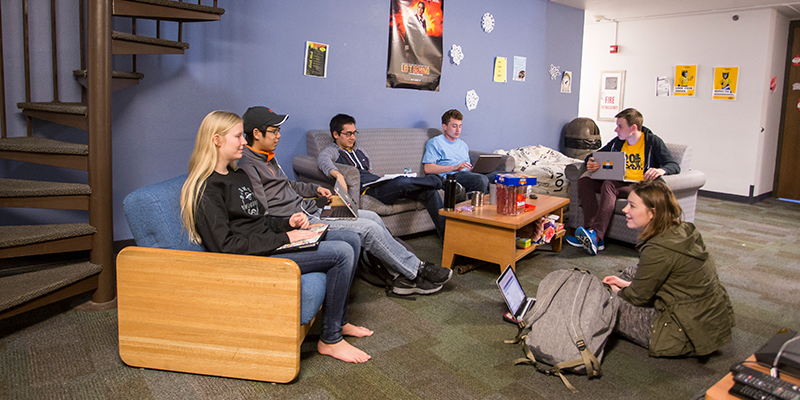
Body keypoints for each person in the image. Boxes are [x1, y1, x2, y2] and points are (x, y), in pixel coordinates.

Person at [179, 110, 372, 363]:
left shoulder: (236, 175)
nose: (244, 142)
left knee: (352, 240)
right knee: (341, 253)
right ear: (217, 140)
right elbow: (226, 246)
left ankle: (340, 321)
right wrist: (287, 238)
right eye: (238, 136)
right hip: (251, 258)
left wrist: (287, 223)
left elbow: (257, 219)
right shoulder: (207, 188)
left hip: (267, 243)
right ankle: (331, 339)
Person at [238, 106, 452, 296]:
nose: (278, 136)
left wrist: (316, 188)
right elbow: (262, 212)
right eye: (274, 131)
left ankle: (404, 271)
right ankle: (417, 270)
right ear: (256, 133)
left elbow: (289, 186)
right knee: (368, 229)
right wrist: (290, 226)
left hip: (312, 209)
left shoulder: (268, 157)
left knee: (373, 217)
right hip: (303, 220)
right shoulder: (247, 165)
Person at [602, 180, 734, 357]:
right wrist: (625, 284)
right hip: (706, 320)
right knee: (631, 272)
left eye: (632, 206)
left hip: (682, 333)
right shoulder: (683, 229)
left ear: (653, 212)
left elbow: (637, 297)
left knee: (603, 301)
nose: (625, 210)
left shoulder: (657, 249)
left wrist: (616, 291)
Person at [566, 108, 680, 255]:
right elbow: (595, 155)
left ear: (633, 128)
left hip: (639, 186)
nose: (616, 129)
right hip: (619, 181)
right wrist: (591, 162)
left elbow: (673, 165)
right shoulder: (618, 142)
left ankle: (598, 237)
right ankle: (589, 232)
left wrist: (661, 170)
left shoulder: (652, 142)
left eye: (620, 126)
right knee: (585, 181)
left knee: (609, 184)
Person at [318, 113, 446, 239]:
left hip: (380, 184)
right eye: (348, 134)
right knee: (401, 182)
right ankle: (440, 181)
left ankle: (447, 239)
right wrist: (339, 176)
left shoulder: (360, 151)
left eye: (354, 133)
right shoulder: (332, 151)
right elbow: (323, 161)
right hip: (369, 191)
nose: (352, 137)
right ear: (336, 134)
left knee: (430, 192)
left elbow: (371, 173)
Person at [422, 109, 490, 194]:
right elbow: (428, 169)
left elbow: (467, 169)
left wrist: (473, 168)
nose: (458, 130)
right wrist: (454, 167)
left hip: (466, 175)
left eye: (460, 126)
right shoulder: (435, 142)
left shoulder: (463, 145)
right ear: (444, 126)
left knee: (500, 176)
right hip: (450, 176)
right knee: (481, 180)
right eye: (454, 126)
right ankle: (471, 207)